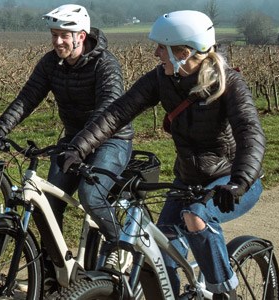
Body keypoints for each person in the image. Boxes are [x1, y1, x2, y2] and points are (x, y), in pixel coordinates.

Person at [58, 10, 265, 299]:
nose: (156, 53)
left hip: (232, 181)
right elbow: (117, 113)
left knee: (196, 217)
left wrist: (238, 182)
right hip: (187, 182)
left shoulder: (229, 84)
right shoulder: (162, 78)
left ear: (184, 51)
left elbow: (250, 134)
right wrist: (79, 147)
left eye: (161, 47)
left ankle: (224, 293)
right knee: (161, 256)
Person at [0, 4, 133, 265]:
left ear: (81, 37)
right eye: (54, 35)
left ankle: (119, 246)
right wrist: (2, 126)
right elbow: (28, 97)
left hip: (112, 140)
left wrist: (79, 148)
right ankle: (54, 270)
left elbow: (106, 111)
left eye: (64, 36)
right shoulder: (51, 63)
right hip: (74, 140)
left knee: (91, 195)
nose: (57, 41)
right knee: (48, 204)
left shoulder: (105, 65)